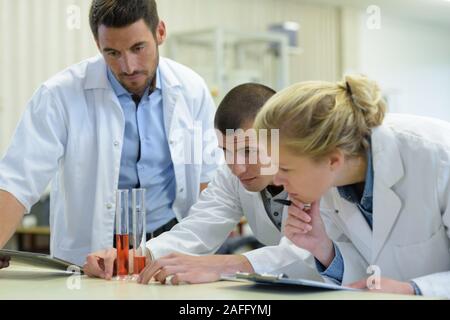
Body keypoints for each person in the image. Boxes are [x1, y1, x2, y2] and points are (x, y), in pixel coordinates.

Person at [0, 0, 218, 267]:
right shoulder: (59, 95)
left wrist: (205, 255)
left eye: (138, 48)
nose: (128, 66)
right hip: (94, 249)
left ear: (160, 32)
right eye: (112, 52)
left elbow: (206, 178)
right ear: (97, 44)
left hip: (170, 241)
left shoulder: (192, 89)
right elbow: (17, 180)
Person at [84, 83, 321, 284]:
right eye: (227, 151)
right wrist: (134, 258)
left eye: (248, 151)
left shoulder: (319, 178)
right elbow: (199, 228)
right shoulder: (231, 176)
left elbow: (311, 255)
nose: (237, 168)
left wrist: (225, 265)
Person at [253, 74, 450, 298]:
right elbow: (375, 265)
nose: (276, 180)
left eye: (285, 169)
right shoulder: (329, 179)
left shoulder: (439, 156)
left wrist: (413, 289)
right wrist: (323, 248)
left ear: (333, 160)